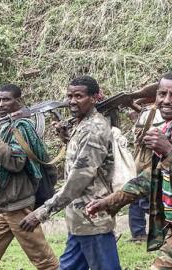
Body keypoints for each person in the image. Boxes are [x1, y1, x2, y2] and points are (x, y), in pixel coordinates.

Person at [86, 71, 172, 269]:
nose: (166, 101)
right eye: (162, 94)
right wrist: (109, 201)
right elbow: (149, 178)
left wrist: (168, 150)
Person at [19, 76, 121, 270]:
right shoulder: (81, 125)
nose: (72, 101)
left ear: (94, 98)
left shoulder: (94, 129)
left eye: (79, 96)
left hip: (93, 218)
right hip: (79, 219)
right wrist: (67, 139)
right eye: (69, 96)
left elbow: (77, 181)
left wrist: (42, 212)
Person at [0, 84, 59, 270]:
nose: (1, 104)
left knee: (43, 259)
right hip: (4, 204)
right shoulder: (7, 124)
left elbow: (16, 163)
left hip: (19, 204)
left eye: (6, 99)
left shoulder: (21, 126)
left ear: (17, 101)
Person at [128, 107, 164, 243]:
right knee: (146, 197)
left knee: (138, 196)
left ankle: (139, 233)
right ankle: (144, 232)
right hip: (149, 157)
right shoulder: (151, 112)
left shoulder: (145, 112)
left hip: (142, 158)